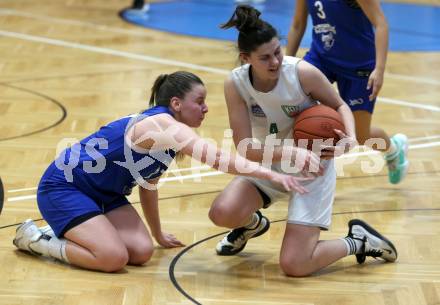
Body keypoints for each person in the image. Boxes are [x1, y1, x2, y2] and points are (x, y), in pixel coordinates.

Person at [13, 71, 311, 272]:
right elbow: (219, 159)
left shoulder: (169, 139)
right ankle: (37, 240)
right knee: (112, 258)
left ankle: (71, 228)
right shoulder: (162, 125)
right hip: (64, 188)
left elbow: (149, 186)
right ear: (176, 103)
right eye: (200, 101)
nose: (206, 108)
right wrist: (272, 174)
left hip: (103, 195)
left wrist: (156, 234)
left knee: (141, 252)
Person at [209, 5, 397, 277]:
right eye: (265, 58)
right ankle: (251, 225)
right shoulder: (235, 84)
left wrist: (351, 137)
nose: (275, 61)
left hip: (313, 166)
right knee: (222, 213)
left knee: (295, 265)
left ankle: (359, 241)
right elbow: (245, 147)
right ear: (245, 58)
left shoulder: (302, 72)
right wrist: (288, 154)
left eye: (277, 51)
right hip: (270, 159)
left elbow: (341, 105)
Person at [286, 0, 409, 184]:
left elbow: (380, 23)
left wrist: (380, 69)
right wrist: (287, 64)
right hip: (321, 58)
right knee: (295, 102)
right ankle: (303, 169)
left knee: (360, 135)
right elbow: (297, 24)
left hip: (358, 65)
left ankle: (394, 149)